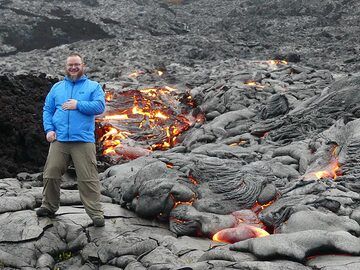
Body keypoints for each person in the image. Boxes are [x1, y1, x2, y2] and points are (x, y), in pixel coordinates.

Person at [36, 52, 106, 227]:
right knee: (50, 173)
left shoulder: (93, 86)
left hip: (83, 140)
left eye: (77, 64)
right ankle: (49, 206)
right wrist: (49, 130)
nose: (73, 68)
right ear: (66, 67)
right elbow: (47, 110)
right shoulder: (57, 88)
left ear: (83, 66)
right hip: (59, 140)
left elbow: (100, 106)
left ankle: (96, 214)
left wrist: (78, 105)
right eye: (70, 65)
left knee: (88, 178)